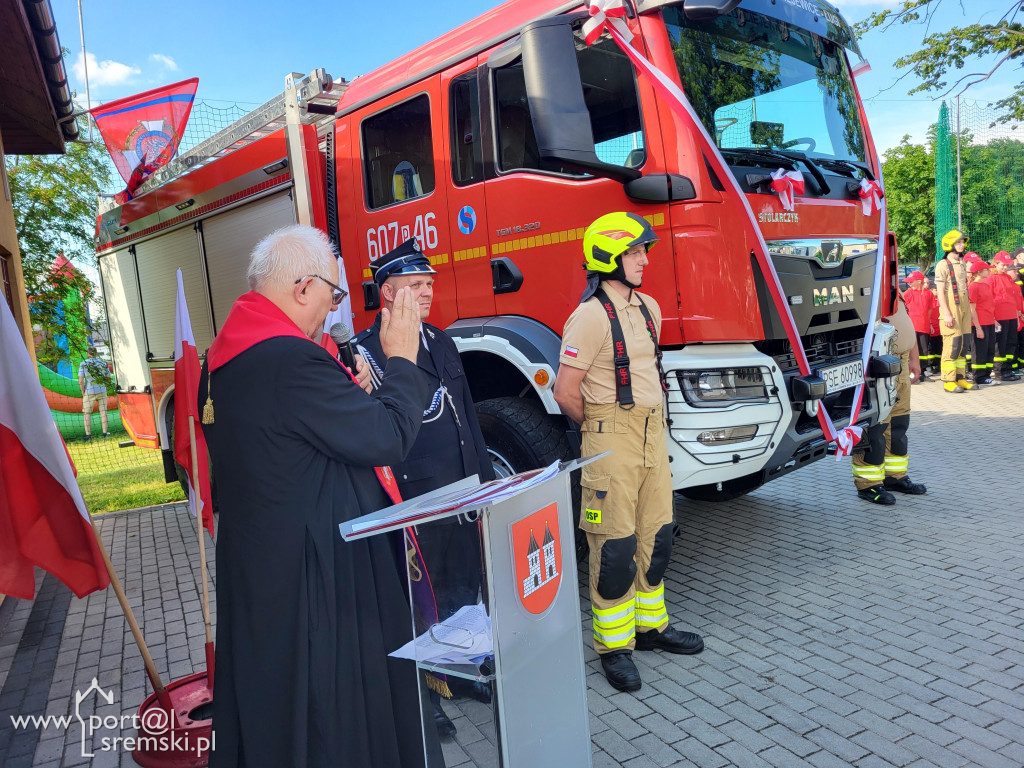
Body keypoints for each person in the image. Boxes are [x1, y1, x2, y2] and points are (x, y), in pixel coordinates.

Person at [197, 225, 440, 768]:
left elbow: (294, 442)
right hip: (319, 578)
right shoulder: (290, 360)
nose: (334, 312)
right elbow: (388, 437)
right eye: (333, 296)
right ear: (303, 287)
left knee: (274, 699)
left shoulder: (220, 360)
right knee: (331, 711)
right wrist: (401, 360)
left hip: (260, 565)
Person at [553, 211, 703, 694]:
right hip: (610, 437)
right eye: (635, 252)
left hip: (652, 434)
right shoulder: (589, 316)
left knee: (656, 537)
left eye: (644, 251)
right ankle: (614, 649)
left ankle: (650, 628)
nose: (644, 260)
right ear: (608, 256)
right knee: (614, 547)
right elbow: (564, 391)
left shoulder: (649, 308)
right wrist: (601, 431)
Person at [354, 238, 495, 740]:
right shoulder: (365, 353)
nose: (427, 293)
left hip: (461, 492)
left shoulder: (440, 339)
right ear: (387, 293)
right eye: (415, 286)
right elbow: (378, 435)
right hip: (415, 501)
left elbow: (467, 418)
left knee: (464, 589)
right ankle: (426, 693)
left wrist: (484, 481)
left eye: (429, 284)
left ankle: (463, 670)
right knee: (422, 602)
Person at [851, 290, 927, 504]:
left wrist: (914, 358)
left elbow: (906, 322)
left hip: (900, 361)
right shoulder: (867, 283)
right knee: (875, 425)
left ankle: (895, 477)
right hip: (879, 361)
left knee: (899, 422)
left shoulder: (893, 287)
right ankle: (869, 485)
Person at [935, 230, 975, 392]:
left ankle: (960, 377)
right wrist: (946, 313)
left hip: (964, 305)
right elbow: (939, 291)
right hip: (951, 306)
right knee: (952, 344)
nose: (962, 245)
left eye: (962, 242)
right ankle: (948, 380)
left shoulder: (962, 263)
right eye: (958, 242)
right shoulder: (942, 265)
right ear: (949, 244)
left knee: (963, 344)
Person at [990, 251, 1023, 381]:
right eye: (1003, 265)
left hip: (1011, 316)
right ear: (996, 263)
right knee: (1000, 345)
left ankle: (1008, 370)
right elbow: (988, 300)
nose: (1005, 268)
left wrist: (1016, 317)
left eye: (1007, 265)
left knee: (1011, 344)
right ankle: (999, 371)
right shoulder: (991, 279)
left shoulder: (1008, 278)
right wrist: (993, 319)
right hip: (1000, 317)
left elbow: (1012, 299)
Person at [967, 260, 998, 387]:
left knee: (990, 350)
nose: (989, 271)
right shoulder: (973, 287)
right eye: (987, 269)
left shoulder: (985, 285)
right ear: (979, 272)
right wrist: (978, 327)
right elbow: (972, 309)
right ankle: (979, 377)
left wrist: (994, 320)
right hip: (980, 324)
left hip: (989, 322)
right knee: (980, 351)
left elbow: (988, 305)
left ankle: (986, 374)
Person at [903, 270, 937, 382]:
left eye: (911, 281)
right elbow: (904, 310)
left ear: (919, 281)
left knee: (923, 349)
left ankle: (922, 371)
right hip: (912, 327)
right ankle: (911, 372)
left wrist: (930, 323)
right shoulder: (907, 293)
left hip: (924, 326)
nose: (909, 283)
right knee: (912, 350)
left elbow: (930, 310)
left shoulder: (928, 294)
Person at [78, 346, 111, 440]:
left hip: (89, 391)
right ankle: (105, 433)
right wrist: (106, 387)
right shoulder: (103, 363)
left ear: (88, 354)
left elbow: (80, 380)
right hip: (102, 390)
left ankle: (88, 435)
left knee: (87, 413)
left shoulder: (83, 364)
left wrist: (83, 392)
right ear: (96, 353)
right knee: (103, 412)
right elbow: (108, 377)